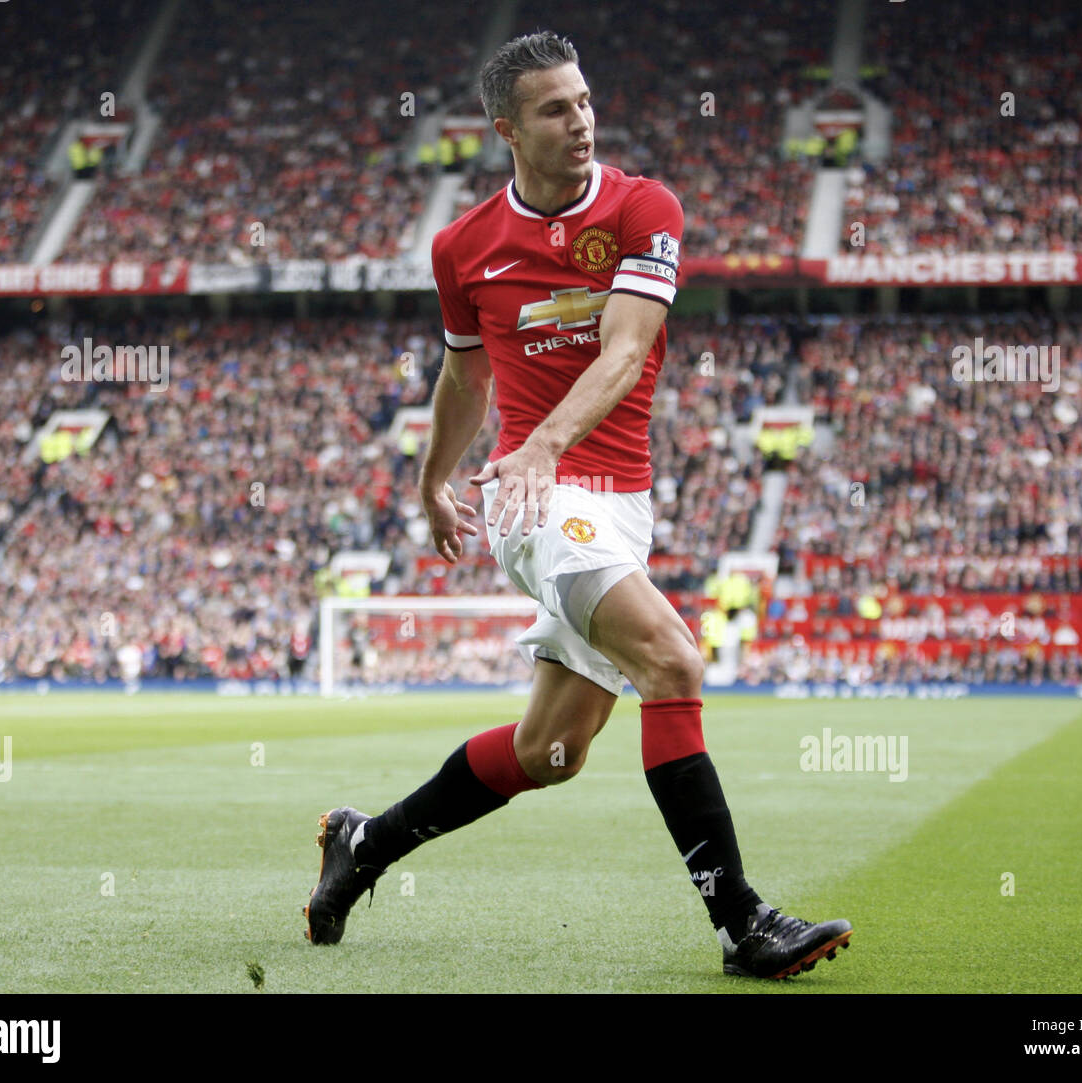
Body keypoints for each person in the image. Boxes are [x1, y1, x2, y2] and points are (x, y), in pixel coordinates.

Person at [304, 30, 852, 980]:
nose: (582, 122)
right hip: (537, 498)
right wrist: (437, 477)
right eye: (556, 109)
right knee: (674, 661)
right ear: (507, 128)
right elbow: (462, 379)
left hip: (616, 498)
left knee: (550, 751)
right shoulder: (463, 246)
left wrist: (551, 441)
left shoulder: (646, 208)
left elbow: (628, 348)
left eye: (586, 102)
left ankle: (365, 842)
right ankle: (740, 923)